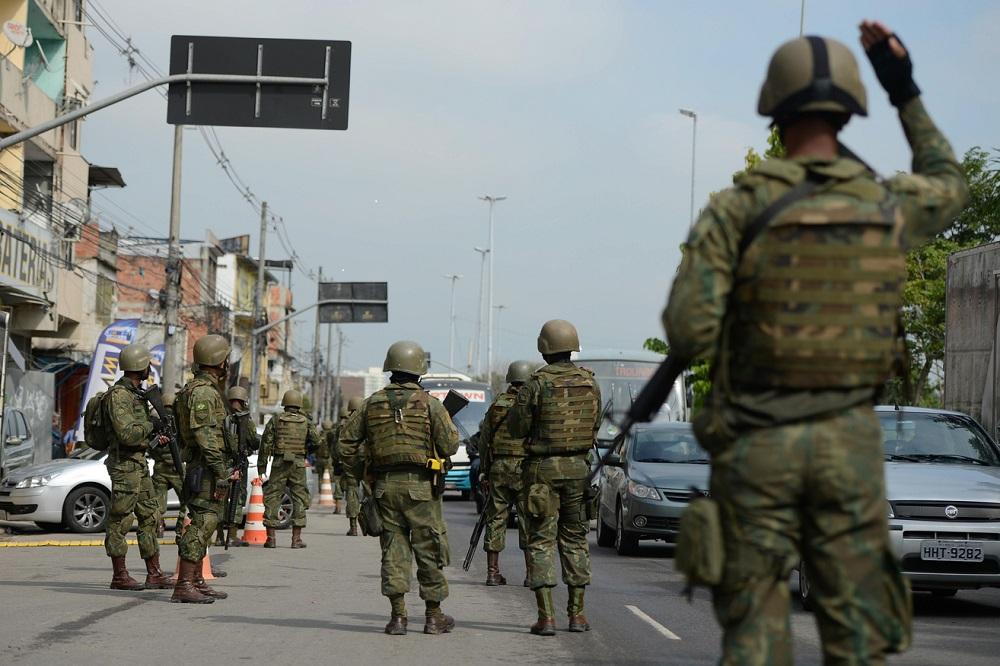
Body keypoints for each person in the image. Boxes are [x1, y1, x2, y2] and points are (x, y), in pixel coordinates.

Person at [661, 22, 968, 665]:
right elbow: (949, 181)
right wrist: (902, 87)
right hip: (848, 444)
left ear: (772, 106)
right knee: (856, 633)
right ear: (851, 109)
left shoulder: (735, 210)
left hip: (757, 444)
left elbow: (689, 329)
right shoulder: (889, 205)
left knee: (754, 631)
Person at [341, 340, 460, 636]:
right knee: (429, 549)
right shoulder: (431, 405)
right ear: (419, 370)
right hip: (421, 488)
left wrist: (362, 475)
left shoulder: (371, 403)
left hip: (384, 488)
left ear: (390, 369)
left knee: (393, 551)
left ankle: (398, 618)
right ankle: (433, 617)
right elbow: (450, 445)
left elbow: (345, 444)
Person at [508, 321, 601, 635]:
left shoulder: (535, 384)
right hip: (579, 471)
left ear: (543, 347)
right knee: (576, 540)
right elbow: (595, 426)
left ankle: (546, 618)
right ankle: (578, 616)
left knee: (541, 541)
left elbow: (516, 429)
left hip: (542, 473)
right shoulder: (590, 383)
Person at [171, 334, 240, 603]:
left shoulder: (196, 390)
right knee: (201, 523)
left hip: (204, 466)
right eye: (225, 360)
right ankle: (184, 585)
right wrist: (221, 469)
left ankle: (197, 580)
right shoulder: (203, 393)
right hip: (206, 468)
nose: (227, 365)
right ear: (218, 361)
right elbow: (205, 436)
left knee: (208, 522)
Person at [102, 343, 171, 590]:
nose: (148, 369)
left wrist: (154, 439)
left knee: (150, 515)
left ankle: (154, 573)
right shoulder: (119, 396)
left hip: (139, 464)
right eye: (147, 365)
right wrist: (152, 425)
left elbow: (138, 436)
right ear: (140, 366)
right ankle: (119, 576)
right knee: (120, 519)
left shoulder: (135, 394)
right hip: (124, 466)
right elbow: (127, 435)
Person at [479, 360, 536, 587]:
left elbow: (485, 440)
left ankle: (493, 573)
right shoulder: (534, 405)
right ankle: (532, 575)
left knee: (495, 520)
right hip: (525, 470)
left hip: (499, 468)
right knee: (528, 521)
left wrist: (485, 471)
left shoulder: (498, 404)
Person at [258, 389, 319, 549]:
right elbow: (317, 441)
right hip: (298, 463)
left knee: (272, 496)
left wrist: (262, 465)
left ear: (285, 403)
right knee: (299, 497)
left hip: (279, 462)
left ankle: (271, 539)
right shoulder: (306, 421)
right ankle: (296, 539)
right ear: (298, 404)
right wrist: (305, 451)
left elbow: (266, 443)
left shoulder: (276, 420)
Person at [220, 385, 260, 547]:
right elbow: (254, 441)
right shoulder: (245, 419)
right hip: (238, 463)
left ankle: (218, 536)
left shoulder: (220, 416)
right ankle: (232, 534)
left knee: (220, 496)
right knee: (237, 497)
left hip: (221, 463)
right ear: (244, 401)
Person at [149, 391, 186, 543]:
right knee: (186, 500)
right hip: (177, 468)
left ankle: (158, 527)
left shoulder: (155, 421)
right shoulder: (180, 419)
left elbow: (149, 447)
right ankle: (180, 531)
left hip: (160, 468)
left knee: (158, 502)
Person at [336, 395, 365, 535]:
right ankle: (373, 524)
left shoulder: (344, 424)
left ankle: (353, 527)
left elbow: (338, 446)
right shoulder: (370, 420)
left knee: (352, 492)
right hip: (367, 461)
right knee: (372, 493)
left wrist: (338, 462)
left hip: (350, 462)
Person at [316, 419, 337, 512]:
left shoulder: (319, 435)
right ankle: (331, 494)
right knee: (331, 478)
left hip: (319, 459)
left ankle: (321, 493)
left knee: (321, 477)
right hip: (329, 459)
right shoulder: (332, 435)